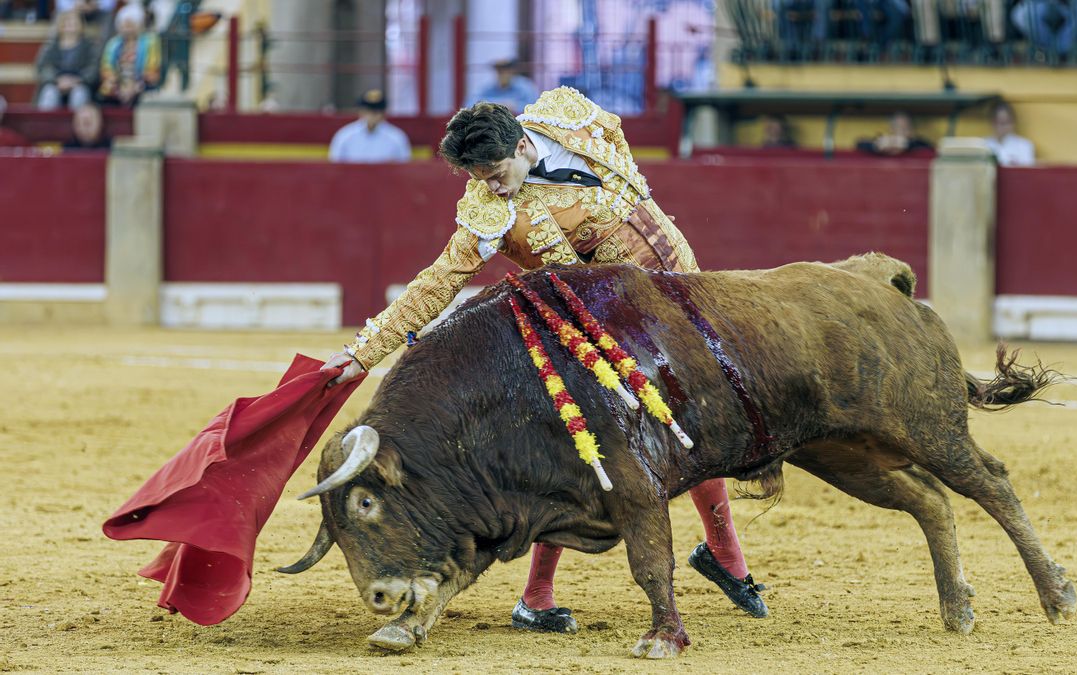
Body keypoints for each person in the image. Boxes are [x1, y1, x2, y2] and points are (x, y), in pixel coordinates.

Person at [323, 87, 770, 632]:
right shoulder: (488, 212)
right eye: (477, 177)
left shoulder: (570, 114)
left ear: (522, 145)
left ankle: (717, 555)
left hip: (676, 279)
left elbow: (620, 157)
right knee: (594, 446)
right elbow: (434, 285)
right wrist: (362, 355)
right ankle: (543, 593)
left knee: (694, 422)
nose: (488, 186)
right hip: (604, 322)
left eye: (494, 171)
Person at [35, 9, 100, 111]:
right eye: (67, 22)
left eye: (74, 22)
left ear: (81, 25)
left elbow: (93, 69)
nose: (70, 25)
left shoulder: (90, 46)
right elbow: (42, 67)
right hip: (55, 83)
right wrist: (56, 80)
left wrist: (77, 80)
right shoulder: (50, 46)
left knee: (79, 94)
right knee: (49, 93)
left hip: (80, 84)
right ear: (60, 25)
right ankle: (45, 126)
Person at [98, 4, 161, 106]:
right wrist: (120, 85)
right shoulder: (113, 43)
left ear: (139, 25)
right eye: (124, 25)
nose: (127, 29)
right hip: (118, 84)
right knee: (106, 92)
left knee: (143, 94)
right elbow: (106, 68)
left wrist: (134, 86)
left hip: (142, 83)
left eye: (131, 25)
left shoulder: (151, 42)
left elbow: (152, 68)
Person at [328, 89, 411, 163]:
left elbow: (403, 168)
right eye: (368, 111)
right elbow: (335, 167)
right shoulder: (345, 136)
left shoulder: (396, 137)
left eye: (375, 112)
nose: (371, 115)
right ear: (360, 112)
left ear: (383, 113)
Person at [1011, 0, 1077, 58]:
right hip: (1043, 4)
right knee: (1020, 15)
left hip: (1070, 6)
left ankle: (1062, 51)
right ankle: (1050, 50)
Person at [468, 58, 539, 114]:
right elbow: (469, 105)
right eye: (500, 70)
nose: (504, 73)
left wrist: (515, 107)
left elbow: (536, 108)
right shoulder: (486, 88)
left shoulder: (525, 87)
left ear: (513, 70)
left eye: (507, 69)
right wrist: (495, 105)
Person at [856, 111, 934, 156]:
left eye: (906, 128)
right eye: (899, 127)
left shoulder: (916, 143)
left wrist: (906, 145)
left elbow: (928, 147)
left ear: (911, 130)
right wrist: (876, 146)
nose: (903, 131)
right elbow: (860, 144)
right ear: (892, 129)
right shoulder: (884, 142)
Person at [985, 102, 1034, 167]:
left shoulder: (1024, 145)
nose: (1005, 127)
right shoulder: (983, 145)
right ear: (993, 123)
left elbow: (1028, 172)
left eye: (1008, 122)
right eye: (1001, 123)